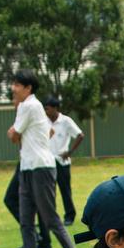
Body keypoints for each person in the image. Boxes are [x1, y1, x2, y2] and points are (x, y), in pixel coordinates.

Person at [4, 71, 82, 248]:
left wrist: (17, 133)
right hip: (28, 167)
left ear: (28, 88)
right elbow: (49, 133)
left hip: (40, 168)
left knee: (50, 218)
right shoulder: (33, 107)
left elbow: (14, 135)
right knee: (26, 221)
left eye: (17, 85)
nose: (13, 88)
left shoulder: (29, 106)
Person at [46, 96, 84, 224]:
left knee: (65, 190)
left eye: (48, 109)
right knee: (49, 191)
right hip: (48, 161)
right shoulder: (44, 121)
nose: (46, 111)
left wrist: (70, 152)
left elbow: (80, 135)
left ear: (55, 108)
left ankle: (69, 216)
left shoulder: (65, 121)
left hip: (61, 161)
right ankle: (50, 217)